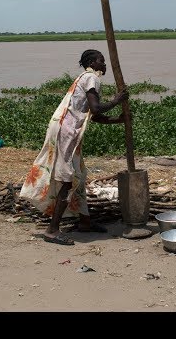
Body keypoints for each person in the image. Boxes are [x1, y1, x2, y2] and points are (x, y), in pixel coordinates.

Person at [19, 49, 128, 246]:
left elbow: (94, 116)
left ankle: (85, 221)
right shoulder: (91, 78)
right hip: (65, 131)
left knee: (78, 175)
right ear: (92, 63)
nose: (104, 65)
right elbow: (96, 108)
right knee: (67, 178)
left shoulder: (85, 79)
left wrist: (118, 120)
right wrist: (116, 101)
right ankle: (52, 230)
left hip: (68, 130)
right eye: (101, 61)